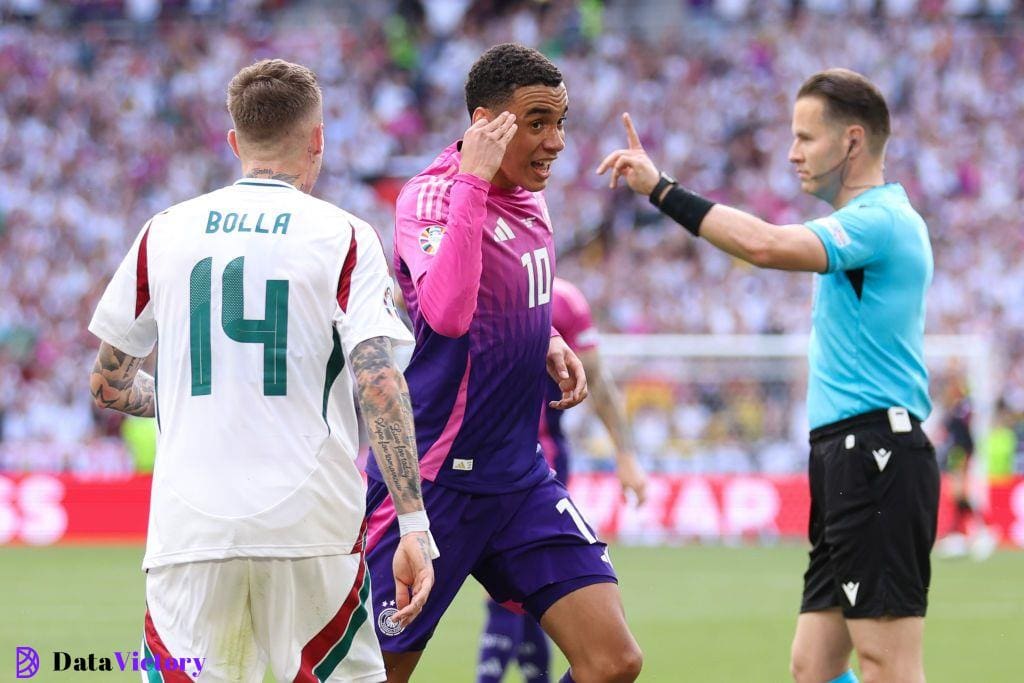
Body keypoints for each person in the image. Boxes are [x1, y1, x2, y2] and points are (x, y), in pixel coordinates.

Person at [88, 58, 434, 683]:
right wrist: (413, 523)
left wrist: (184, 398)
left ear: (233, 141)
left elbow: (108, 383)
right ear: (318, 140)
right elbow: (378, 380)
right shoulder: (345, 236)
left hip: (191, 532)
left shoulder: (162, 232)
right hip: (313, 528)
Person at [598, 68, 937, 683]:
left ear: (853, 141)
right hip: (845, 457)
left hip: (878, 456)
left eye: (806, 137)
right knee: (813, 668)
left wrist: (662, 190)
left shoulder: (880, 220)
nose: (792, 153)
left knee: (889, 663)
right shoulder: (867, 223)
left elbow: (765, 246)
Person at [363, 43, 643, 683]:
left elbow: (499, 294)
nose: (556, 141)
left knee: (613, 661)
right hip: (435, 480)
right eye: (537, 123)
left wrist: (542, 336)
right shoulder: (429, 199)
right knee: (372, 677)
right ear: (485, 123)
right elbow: (449, 314)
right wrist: (473, 181)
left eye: (560, 123)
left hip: (518, 477)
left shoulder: (532, 198)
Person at [475, 277, 648, 683]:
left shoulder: (563, 300)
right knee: (530, 592)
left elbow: (597, 377)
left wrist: (625, 454)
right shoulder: (452, 276)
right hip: (458, 464)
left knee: (535, 591)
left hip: (539, 463)